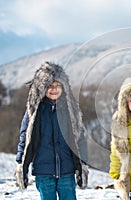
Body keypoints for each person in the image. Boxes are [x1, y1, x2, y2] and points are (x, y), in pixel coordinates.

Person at [15, 62, 88, 200]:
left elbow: (80, 137)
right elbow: (25, 136)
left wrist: (82, 163)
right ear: (41, 88)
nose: (54, 89)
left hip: (67, 170)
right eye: (49, 86)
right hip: (43, 171)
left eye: (57, 86)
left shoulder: (70, 110)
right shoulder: (35, 111)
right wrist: (21, 162)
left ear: (64, 87)